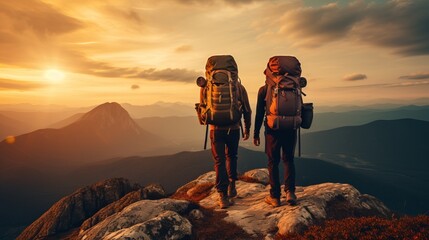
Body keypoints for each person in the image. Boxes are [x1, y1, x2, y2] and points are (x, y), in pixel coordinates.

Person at [199, 55, 252, 209]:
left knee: (219, 161)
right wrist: (247, 128)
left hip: (215, 129)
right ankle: (232, 186)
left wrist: (204, 119)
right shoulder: (238, 87)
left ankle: (222, 195)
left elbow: (202, 111)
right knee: (232, 156)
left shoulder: (206, 88)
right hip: (234, 128)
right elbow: (247, 109)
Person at [253, 56, 302, 207]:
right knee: (288, 159)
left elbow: (259, 113)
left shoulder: (264, 90)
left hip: (272, 129)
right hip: (291, 127)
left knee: (273, 162)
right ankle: (290, 193)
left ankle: (275, 197)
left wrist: (255, 133)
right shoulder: (295, 86)